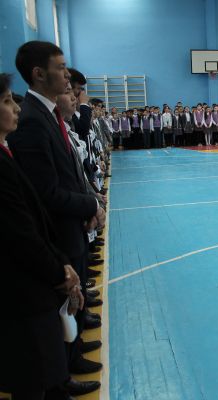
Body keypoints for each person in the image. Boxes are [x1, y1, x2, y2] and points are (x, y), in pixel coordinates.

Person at [8, 41, 104, 396]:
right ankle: (61, 376)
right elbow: (46, 191)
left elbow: (70, 172)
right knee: (61, 308)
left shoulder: (47, 115)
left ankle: (71, 361)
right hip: (59, 231)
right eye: (61, 67)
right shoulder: (32, 121)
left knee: (71, 305)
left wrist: (88, 204)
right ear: (38, 73)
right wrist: (89, 205)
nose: (67, 75)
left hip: (72, 225)